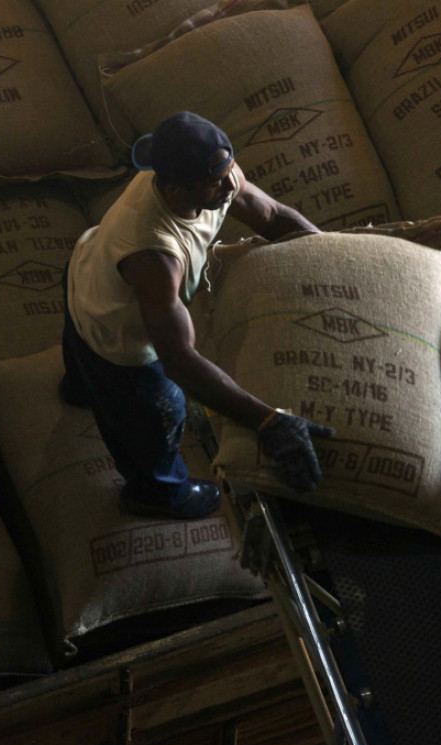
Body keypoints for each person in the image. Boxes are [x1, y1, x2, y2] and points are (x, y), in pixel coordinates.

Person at [60, 110, 335, 519]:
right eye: (215, 182)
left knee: (85, 375)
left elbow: (274, 217)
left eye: (228, 170)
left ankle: (82, 388)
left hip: (86, 268)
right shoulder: (152, 254)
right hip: (115, 331)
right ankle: (157, 494)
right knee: (157, 407)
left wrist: (340, 261)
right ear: (174, 193)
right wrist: (267, 423)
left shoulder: (211, 174)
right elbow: (179, 361)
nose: (231, 185)